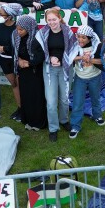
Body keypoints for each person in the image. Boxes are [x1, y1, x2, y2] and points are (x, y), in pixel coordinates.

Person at [36, 8, 77, 141]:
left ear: (59, 18)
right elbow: (40, 51)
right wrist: (50, 58)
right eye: (49, 20)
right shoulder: (42, 33)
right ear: (46, 21)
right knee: (51, 101)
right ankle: (53, 128)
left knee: (65, 98)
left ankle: (64, 120)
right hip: (49, 70)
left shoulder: (68, 32)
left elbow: (73, 49)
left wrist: (60, 59)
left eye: (54, 19)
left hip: (65, 68)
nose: (52, 22)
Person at [13, 15, 48, 130]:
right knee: (26, 96)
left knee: (36, 97)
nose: (18, 32)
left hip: (35, 73)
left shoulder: (37, 39)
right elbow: (15, 52)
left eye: (21, 30)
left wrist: (28, 63)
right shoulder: (17, 37)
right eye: (17, 29)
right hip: (23, 73)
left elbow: (42, 56)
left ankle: (38, 122)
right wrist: (19, 61)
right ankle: (27, 119)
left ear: (29, 28)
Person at [69, 25, 104, 138]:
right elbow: (68, 58)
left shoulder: (97, 46)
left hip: (95, 77)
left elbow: (103, 61)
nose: (80, 40)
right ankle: (75, 125)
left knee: (95, 97)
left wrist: (90, 59)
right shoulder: (75, 46)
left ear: (90, 38)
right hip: (80, 78)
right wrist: (81, 57)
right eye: (78, 37)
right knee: (77, 102)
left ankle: (97, 115)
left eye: (83, 37)